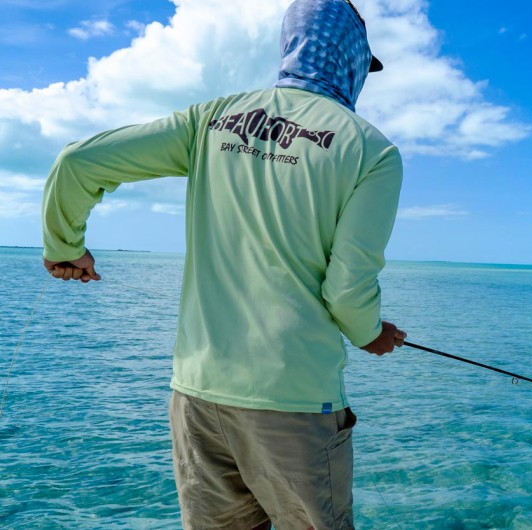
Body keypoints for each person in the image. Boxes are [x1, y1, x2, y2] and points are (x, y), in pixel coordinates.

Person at [41, 0, 404, 528]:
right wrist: (371, 333)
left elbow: (77, 161)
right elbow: (348, 290)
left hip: (196, 395)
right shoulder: (372, 151)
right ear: (351, 57)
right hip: (295, 402)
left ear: (293, 44)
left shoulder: (212, 117)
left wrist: (64, 245)